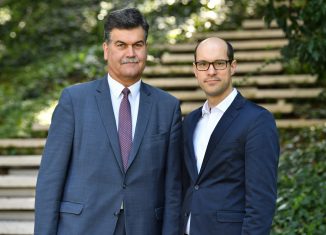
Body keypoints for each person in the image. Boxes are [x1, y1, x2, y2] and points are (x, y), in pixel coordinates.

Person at [34, 8, 182, 235]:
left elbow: (173, 187)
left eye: (138, 45)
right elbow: (50, 179)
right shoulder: (74, 101)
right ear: (106, 50)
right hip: (82, 227)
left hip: (144, 227)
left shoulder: (168, 106)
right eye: (121, 45)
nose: (130, 53)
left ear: (146, 49)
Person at [181, 37, 279, 235]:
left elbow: (261, 201)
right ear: (195, 69)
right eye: (203, 64)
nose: (211, 71)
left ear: (232, 66)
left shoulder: (257, 120)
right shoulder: (190, 121)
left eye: (219, 63)